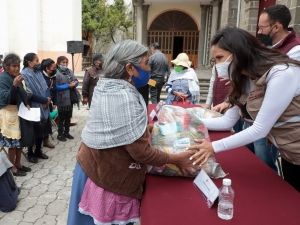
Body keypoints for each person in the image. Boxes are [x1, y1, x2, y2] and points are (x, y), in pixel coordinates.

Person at [67, 40, 198, 225]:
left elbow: (119, 128)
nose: (149, 70)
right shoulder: (124, 97)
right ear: (129, 68)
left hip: (90, 164)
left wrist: (151, 128)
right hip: (104, 177)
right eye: (146, 64)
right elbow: (140, 152)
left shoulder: (106, 86)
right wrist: (177, 158)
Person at [188, 27, 300, 192]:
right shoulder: (246, 79)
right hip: (289, 154)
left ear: (238, 51)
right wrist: (190, 120)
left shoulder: (281, 72)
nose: (218, 65)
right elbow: (227, 121)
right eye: (215, 60)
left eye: (220, 58)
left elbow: (260, 129)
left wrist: (212, 146)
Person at [0, 53, 34, 175]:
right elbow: (4, 99)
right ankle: (12, 167)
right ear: (6, 66)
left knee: (19, 141)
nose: (17, 68)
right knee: (13, 144)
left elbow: (23, 92)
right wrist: (14, 86)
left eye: (18, 66)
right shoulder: (3, 79)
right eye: (14, 66)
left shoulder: (18, 77)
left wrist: (26, 103)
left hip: (19, 112)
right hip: (9, 114)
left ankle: (18, 163)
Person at [21, 53, 50, 163]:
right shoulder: (24, 74)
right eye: (36, 60)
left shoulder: (39, 72)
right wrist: (44, 100)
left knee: (41, 131)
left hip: (44, 105)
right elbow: (29, 93)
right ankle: (30, 153)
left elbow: (46, 87)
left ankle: (38, 150)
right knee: (33, 132)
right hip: (33, 106)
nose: (39, 63)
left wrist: (48, 99)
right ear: (29, 62)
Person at [56, 56, 78, 142]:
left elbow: (75, 80)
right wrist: (68, 86)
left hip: (70, 98)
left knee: (68, 116)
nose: (65, 64)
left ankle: (67, 132)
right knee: (61, 117)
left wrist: (74, 84)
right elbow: (56, 87)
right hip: (61, 98)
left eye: (66, 63)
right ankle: (60, 134)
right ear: (58, 63)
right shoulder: (56, 73)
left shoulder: (70, 71)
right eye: (63, 63)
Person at [41, 58, 57, 149]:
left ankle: (46, 141)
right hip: (41, 103)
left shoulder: (53, 77)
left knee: (47, 122)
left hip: (49, 103)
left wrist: (54, 102)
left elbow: (54, 90)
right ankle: (37, 141)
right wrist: (44, 102)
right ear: (47, 69)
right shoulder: (41, 77)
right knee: (40, 123)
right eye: (54, 67)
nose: (55, 69)